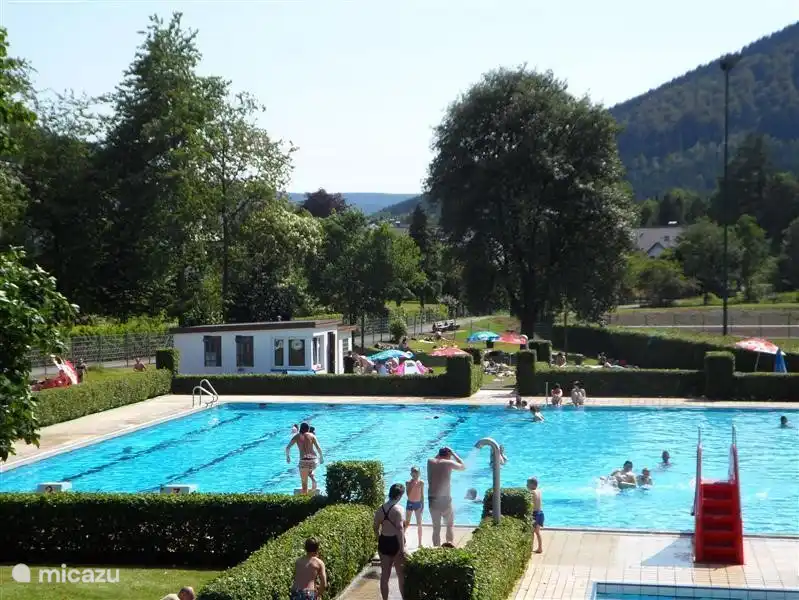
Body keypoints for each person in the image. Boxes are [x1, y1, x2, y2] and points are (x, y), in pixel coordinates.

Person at [427, 446, 465, 547]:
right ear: (448, 455)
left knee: (436, 528)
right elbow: (463, 466)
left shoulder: (430, 461)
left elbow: (437, 458)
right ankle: (449, 549)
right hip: (445, 499)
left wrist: (443, 454)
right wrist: (453, 453)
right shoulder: (449, 463)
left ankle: (436, 551)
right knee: (449, 525)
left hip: (432, 499)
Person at [374, 483, 406, 600]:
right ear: (399, 496)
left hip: (384, 541)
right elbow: (400, 529)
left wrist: (379, 539)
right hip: (396, 543)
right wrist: (402, 550)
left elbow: (375, 527)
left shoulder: (380, 509)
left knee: (385, 575)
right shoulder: (399, 510)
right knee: (401, 575)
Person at [286, 423, 324, 494]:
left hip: (303, 461)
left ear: (300, 428)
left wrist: (288, 457)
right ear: (308, 429)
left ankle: (305, 501)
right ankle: (312, 477)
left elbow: (288, 448)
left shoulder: (296, 436)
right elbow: (318, 448)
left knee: (304, 484)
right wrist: (321, 457)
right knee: (311, 470)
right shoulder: (312, 436)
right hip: (313, 460)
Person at [405, 466, 425, 548]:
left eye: (416, 473)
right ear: (411, 474)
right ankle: (402, 538)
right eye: (413, 474)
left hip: (418, 504)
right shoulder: (408, 482)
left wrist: (422, 505)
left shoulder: (422, 483)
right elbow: (408, 494)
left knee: (419, 523)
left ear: (419, 473)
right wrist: (411, 485)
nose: (415, 475)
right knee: (407, 522)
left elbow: (422, 495)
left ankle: (420, 543)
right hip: (410, 503)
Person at [527, 477, 544, 553]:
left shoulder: (531, 492)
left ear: (532, 485)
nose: (526, 485)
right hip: (540, 513)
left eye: (528, 484)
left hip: (535, 514)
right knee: (537, 532)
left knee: (531, 532)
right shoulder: (539, 491)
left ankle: (530, 548)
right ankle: (540, 548)